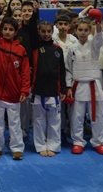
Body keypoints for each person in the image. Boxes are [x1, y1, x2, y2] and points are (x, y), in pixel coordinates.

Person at [0, 0, 29, 160]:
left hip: (13, 92)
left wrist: (24, 90)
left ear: (16, 31)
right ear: (1, 30)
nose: (7, 32)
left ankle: (17, 148)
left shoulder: (21, 50)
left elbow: (25, 73)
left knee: (15, 123)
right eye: (5, 29)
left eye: (11, 30)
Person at [65, 13, 103, 155]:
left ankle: (98, 142)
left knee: (96, 116)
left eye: (86, 30)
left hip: (93, 84)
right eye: (80, 30)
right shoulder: (72, 48)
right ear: (75, 31)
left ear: (90, 31)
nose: (83, 32)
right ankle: (77, 142)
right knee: (77, 116)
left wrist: (98, 22)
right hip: (78, 85)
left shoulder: (94, 45)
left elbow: (99, 37)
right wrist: (68, 86)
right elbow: (68, 69)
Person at [30, 21, 66, 157]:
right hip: (38, 89)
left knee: (54, 121)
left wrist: (63, 89)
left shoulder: (58, 49)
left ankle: (53, 146)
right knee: (39, 121)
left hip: (54, 90)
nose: (46, 34)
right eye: (43, 31)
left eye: (48, 31)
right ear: (39, 32)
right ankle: (40, 146)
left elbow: (62, 71)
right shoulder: (35, 48)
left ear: (52, 32)